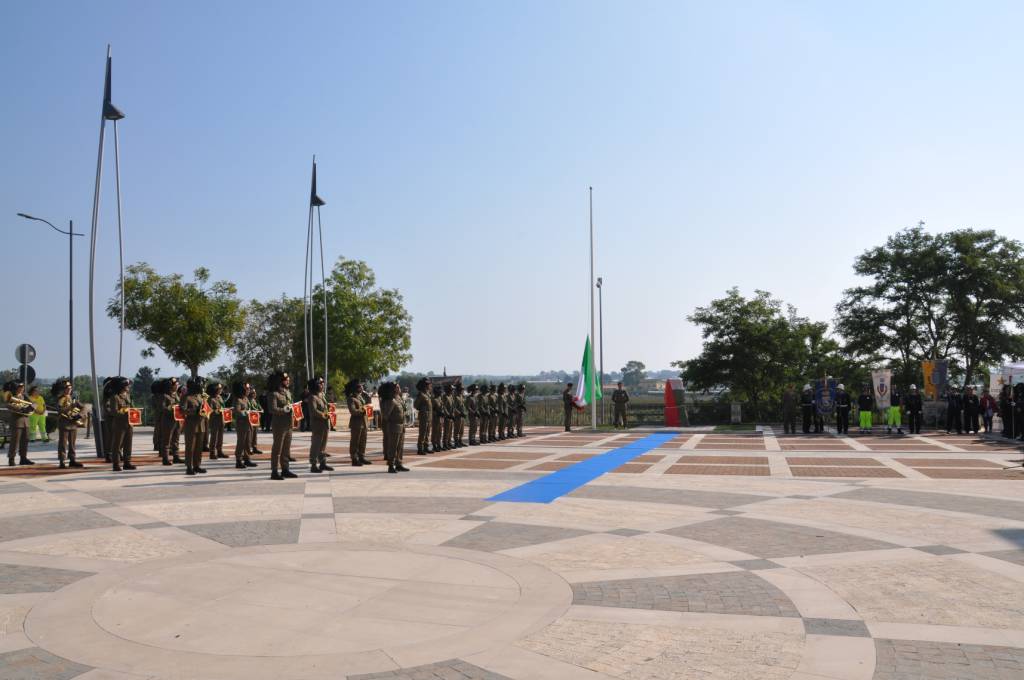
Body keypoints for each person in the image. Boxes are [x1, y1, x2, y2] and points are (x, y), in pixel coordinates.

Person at [267, 370, 298, 479]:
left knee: (286, 449)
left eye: (288, 379)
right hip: (279, 424)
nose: (288, 381)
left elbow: (290, 405)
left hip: (288, 424)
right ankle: (274, 471)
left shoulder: (288, 392)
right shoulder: (273, 394)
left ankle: (285, 469)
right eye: (286, 380)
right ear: (280, 381)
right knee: (277, 449)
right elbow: (272, 409)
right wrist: (285, 409)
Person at [105, 376, 136, 471]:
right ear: (121, 386)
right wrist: (125, 412)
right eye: (127, 385)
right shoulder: (115, 397)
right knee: (117, 445)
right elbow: (114, 412)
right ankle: (116, 464)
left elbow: (132, 407)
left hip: (129, 423)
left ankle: (127, 462)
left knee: (128, 444)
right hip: (119, 423)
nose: (128, 387)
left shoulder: (127, 396)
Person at [52, 379, 84, 468]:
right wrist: (71, 407)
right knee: (63, 443)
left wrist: (80, 415)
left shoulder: (72, 398)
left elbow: (84, 407)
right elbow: (60, 410)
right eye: (67, 387)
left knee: (72, 443)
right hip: (64, 423)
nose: (70, 389)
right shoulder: (60, 398)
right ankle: (62, 461)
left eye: (70, 387)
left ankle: (72, 460)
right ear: (63, 389)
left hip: (73, 423)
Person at [181, 377, 209, 476]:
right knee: (190, 448)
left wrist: (205, 412)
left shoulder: (200, 396)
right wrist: (194, 411)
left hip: (201, 424)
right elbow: (183, 410)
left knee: (199, 447)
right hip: (191, 425)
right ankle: (189, 467)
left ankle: (197, 465)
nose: (201, 386)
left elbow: (205, 408)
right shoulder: (186, 397)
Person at [306, 377, 333, 473]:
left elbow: (324, 407)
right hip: (317, 424)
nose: (322, 385)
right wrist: (324, 414)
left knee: (323, 445)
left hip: (325, 423)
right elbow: (313, 411)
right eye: (320, 383)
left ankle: (323, 463)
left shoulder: (322, 395)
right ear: (315, 385)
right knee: (316, 445)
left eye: (323, 383)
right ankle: (313, 465)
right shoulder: (312, 397)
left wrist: (329, 410)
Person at [380, 382, 408, 473]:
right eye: (397, 387)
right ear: (394, 389)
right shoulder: (391, 400)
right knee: (393, 447)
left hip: (401, 425)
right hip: (394, 426)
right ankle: (391, 465)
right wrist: (393, 420)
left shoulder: (399, 399)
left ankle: (399, 463)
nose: (399, 388)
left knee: (400, 446)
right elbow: (386, 415)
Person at [6, 381, 35, 466]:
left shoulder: (24, 396)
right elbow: (9, 405)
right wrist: (20, 408)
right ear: (16, 388)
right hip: (17, 422)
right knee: (15, 442)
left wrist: (31, 407)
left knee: (25, 441)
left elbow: (33, 405)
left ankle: (23, 458)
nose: (22, 389)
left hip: (25, 421)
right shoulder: (12, 397)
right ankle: (11, 459)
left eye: (23, 387)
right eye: (20, 387)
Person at [232, 382, 258, 469]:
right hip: (241, 423)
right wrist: (246, 413)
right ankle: (238, 460)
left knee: (248, 442)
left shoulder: (246, 399)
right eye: (247, 389)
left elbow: (250, 408)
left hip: (248, 423)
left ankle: (247, 459)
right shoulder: (238, 400)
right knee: (241, 442)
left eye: (249, 389)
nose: (249, 390)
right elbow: (237, 411)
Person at [345, 379, 370, 466]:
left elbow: (368, 402)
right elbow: (353, 411)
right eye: (360, 386)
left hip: (364, 422)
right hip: (356, 423)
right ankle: (354, 458)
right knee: (355, 441)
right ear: (356, 388)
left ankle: (361, 456)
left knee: (363, 441)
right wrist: (362, 410)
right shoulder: (351, 398)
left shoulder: (360, 397)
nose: (362, 387)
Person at [207, 382, 227, 461]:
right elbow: (209, 410)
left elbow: (223, 405)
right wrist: (218, 410)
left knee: (220, 436)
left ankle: (219, 451)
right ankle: (212, 453)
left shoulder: (219, 397)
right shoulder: (210, 399)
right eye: (219, 388)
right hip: (214, 419)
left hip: (221, 419)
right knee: (214, 437)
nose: (221, 390)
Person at [414, 378, 433, 454]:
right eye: (428, 384)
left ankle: (426, 447)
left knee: (427, 433)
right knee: (422, 433)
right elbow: (415, 405)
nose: (430, 385)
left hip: (428, 417)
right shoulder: (421, 395)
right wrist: (422, 408)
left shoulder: (427, 394)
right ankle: (420, 448)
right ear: (425, 386)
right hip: (423, 416)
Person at [247, 386, 264, 455]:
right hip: (251, 419)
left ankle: (254, 447)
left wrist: (261, 410)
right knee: (250, 435)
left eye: (255, 392)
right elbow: (250, 409)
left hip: (256, 419)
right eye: (253, 393)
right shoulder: (248, 400)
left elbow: (259, 407)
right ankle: (249, 448)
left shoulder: (254, 400)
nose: (255, 394)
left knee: (255, 434)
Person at [430, 385, 444, 451]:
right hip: (435, 418)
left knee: (440, 431)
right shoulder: (433, 400)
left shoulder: (440, 399)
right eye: (440, 391)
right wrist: (437, 413)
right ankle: (434, 444)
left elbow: (442, 407)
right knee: (435, 431)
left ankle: (438, 444)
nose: (441, 392)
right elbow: (432, 410)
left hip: (440, 417)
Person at [441, 383, 455, 449]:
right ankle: (445, 443)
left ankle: (449, 442)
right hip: (447, 417)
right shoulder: (445, 396)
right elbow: (444, 407)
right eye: (451, 389)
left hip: (451, 416)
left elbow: (452, 406)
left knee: (450, 431)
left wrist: (452, 414)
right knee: (446, 431)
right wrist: (448, 414)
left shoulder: (451, 396)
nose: (452, 391)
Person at [453, 382, 467, 447]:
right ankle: (456, 442)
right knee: (457, 430)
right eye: (461, 389)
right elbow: (454, 408)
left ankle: (460, 441)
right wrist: (459, 413)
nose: (462, 390)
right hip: (457, 416)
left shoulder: (461, 396)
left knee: (461, 430)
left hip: (462, 415)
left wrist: (464, 413)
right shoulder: (455, 397)